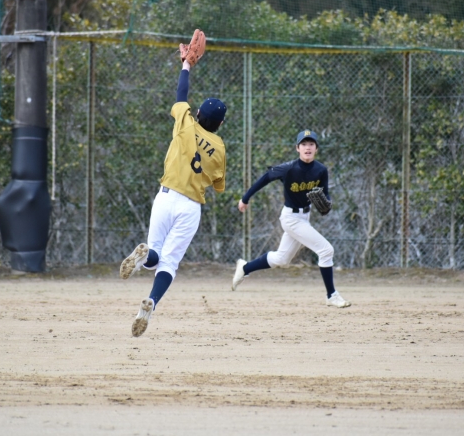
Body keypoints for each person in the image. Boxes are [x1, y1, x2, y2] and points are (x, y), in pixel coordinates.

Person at [119, 45, 227, 337]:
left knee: (153, 255)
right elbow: (219, 185)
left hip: (166, 197)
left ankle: (143, 255)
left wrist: (186, 65)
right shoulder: (219, 147)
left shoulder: (185, 122)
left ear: (198, 113)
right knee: (169, 263)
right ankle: (151, 302)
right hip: (191, 207)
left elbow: (181, 94)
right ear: (219, 124)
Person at [231, 129, 351, 308]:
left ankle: (245, 268)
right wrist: (245, 198)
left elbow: (325, 194)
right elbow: (265, 178)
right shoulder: (288, 168)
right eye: (304, 144)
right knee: (326, 250)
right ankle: (331, 295)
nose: (307, 147)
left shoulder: (321, 170)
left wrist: (327, 204)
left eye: (311, 144)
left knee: (282, 259)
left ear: (316, 148)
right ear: (297, 148)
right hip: (291, 218)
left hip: (305, 217)